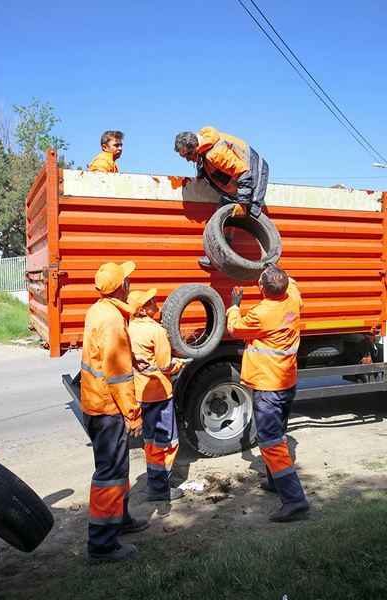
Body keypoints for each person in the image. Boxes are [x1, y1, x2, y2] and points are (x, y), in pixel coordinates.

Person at [226, 263, 309, 522]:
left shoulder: (261, 313)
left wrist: (234, 305)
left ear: (262, 288)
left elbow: (235, 328)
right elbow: (291, 282)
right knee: (279, 434)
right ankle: (275, 482)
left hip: (268, 387)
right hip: (286, 382)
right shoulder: (293, 299)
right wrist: (274, 269)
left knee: (271, 443)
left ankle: (295, 501)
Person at [81, 261, 149, 565]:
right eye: (127, 280)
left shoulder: (99, 310)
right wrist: (133, 415)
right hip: (108, 408)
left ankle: (120, 519)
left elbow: (104, 355)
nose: (130, 283)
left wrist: (131, 357)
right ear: (122, 287)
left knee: (116, 469)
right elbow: (118, 377)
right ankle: (101, 545)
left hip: (95, 402)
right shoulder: (112, 321)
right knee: (110, 474)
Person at [174, 125, 269, 267]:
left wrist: (243, 203)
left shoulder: (215, 153)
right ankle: (221, 255)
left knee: (251, 212)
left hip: (254, 173)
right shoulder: (204, 147)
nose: (187, 159)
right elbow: (210, 165)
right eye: (183, 157)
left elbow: (244, 174)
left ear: (195, 145)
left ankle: (268, 263)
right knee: (223, 211)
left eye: (188, 155)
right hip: (239, 178)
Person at [127, 288, 186, 502]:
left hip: (141, 393)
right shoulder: (156, 331)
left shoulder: (129, 327)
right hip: (159, 394)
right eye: (150, 301)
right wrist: (180, 364)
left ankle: (155, 481)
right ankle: (160, 489)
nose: (155, 302)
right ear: (142, 310)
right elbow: (165, 365)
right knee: (167, 442)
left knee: (151, 441)